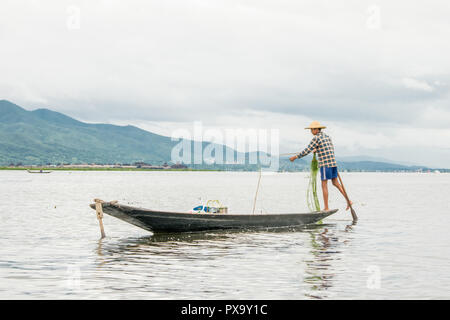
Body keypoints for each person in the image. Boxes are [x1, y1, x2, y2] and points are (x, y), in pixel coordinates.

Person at [290, 121, 352, 212]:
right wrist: (317, 149)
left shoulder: (316, 139)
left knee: (324, 185)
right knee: (336, 183)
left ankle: (326, 207)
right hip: (333, 163)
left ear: (316, 129)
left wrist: (295, 157)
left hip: (325, 164)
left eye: (312, 130)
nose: (311, 131)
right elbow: (329, 148)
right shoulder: (327, 137)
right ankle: (349, 201)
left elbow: (307, 150)